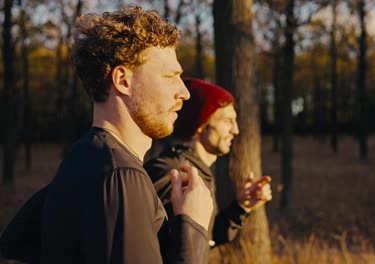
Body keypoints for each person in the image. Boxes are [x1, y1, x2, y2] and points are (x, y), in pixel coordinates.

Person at [0, 6, 213, 264]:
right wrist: (194, 229)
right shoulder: (121, 176)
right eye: (170, 77)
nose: (184, 93)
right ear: (123, 80)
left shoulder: (83, 158)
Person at [144, 78, 273, 255]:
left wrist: (241, 207)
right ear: (201, 125)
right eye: (227, 121)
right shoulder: (172, 172)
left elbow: (201, 238)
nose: (235, 130)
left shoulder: (198, 170)